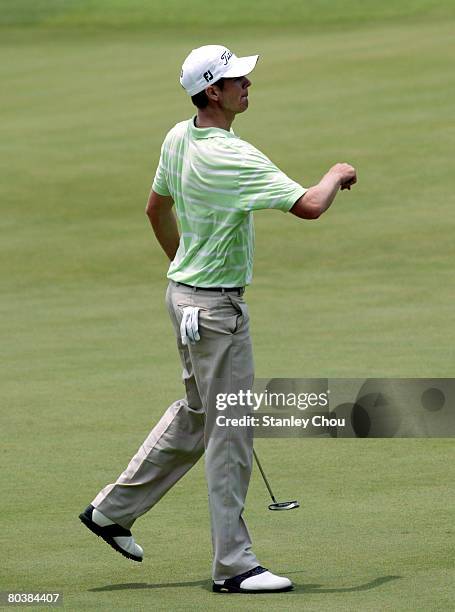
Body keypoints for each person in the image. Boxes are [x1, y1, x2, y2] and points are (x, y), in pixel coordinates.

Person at [79, 44, 357, 594]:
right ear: (213, 91)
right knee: (229, 432)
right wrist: (336, 173)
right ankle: (234, 566)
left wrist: (186, 275)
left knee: (198, 414)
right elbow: (309, 205)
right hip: (216, 311)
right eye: (237, 80)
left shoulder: (177, 137)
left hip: (184, 298)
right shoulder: (235, 156)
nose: (248, 85)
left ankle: (111, 512)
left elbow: (155, 209)